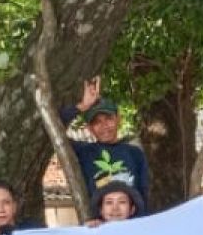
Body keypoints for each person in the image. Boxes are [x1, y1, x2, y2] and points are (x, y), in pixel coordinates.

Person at [59, 76, 150, 208]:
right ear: (89, 128)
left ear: (119, 119)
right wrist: (82, 107)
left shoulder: (135, 154)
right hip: (98, 226)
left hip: (131, 225)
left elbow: (143, 194)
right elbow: (52, 130)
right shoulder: (84, 152)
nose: (104, 126)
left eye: (108, 119)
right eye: (96, 122)